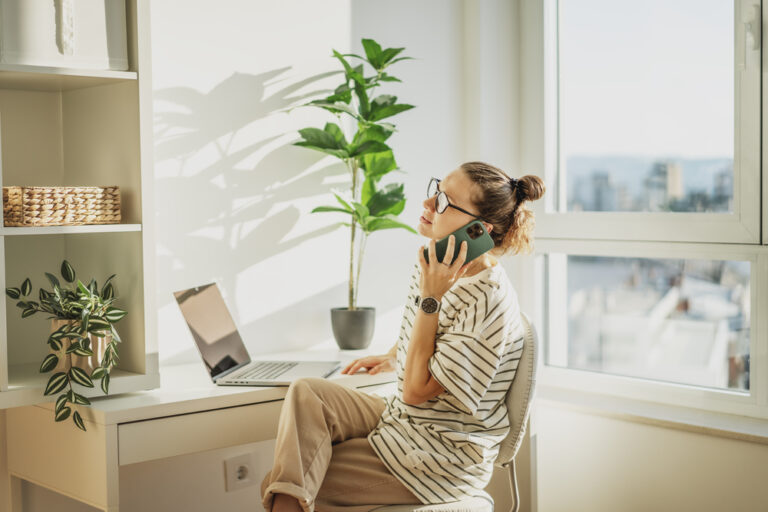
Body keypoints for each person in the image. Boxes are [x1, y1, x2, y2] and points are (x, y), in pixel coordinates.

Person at [261, 161, 545, 512]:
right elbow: (439, 335)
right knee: (307, 394)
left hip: (440, 457)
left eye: (443, 201)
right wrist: (397, 352)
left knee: (283, 486)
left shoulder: (488, 300)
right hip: (406, 422)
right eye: (435, 191)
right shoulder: (437, 262)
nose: (428, 204)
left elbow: (415, 393)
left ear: (479, 229)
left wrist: (432, 298)